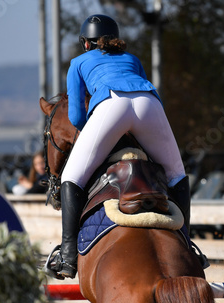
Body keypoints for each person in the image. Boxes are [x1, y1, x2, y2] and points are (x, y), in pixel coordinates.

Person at [49, 14, 190, 280]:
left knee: (71, 177)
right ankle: (188, 244)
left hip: (111, 104)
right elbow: (143, 94)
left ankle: (68, 255)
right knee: (177, 174)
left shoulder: (78, 62)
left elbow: (77, 117)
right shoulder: (133, 59)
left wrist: (101, 131)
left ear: (86, 44)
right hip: (149, 103)